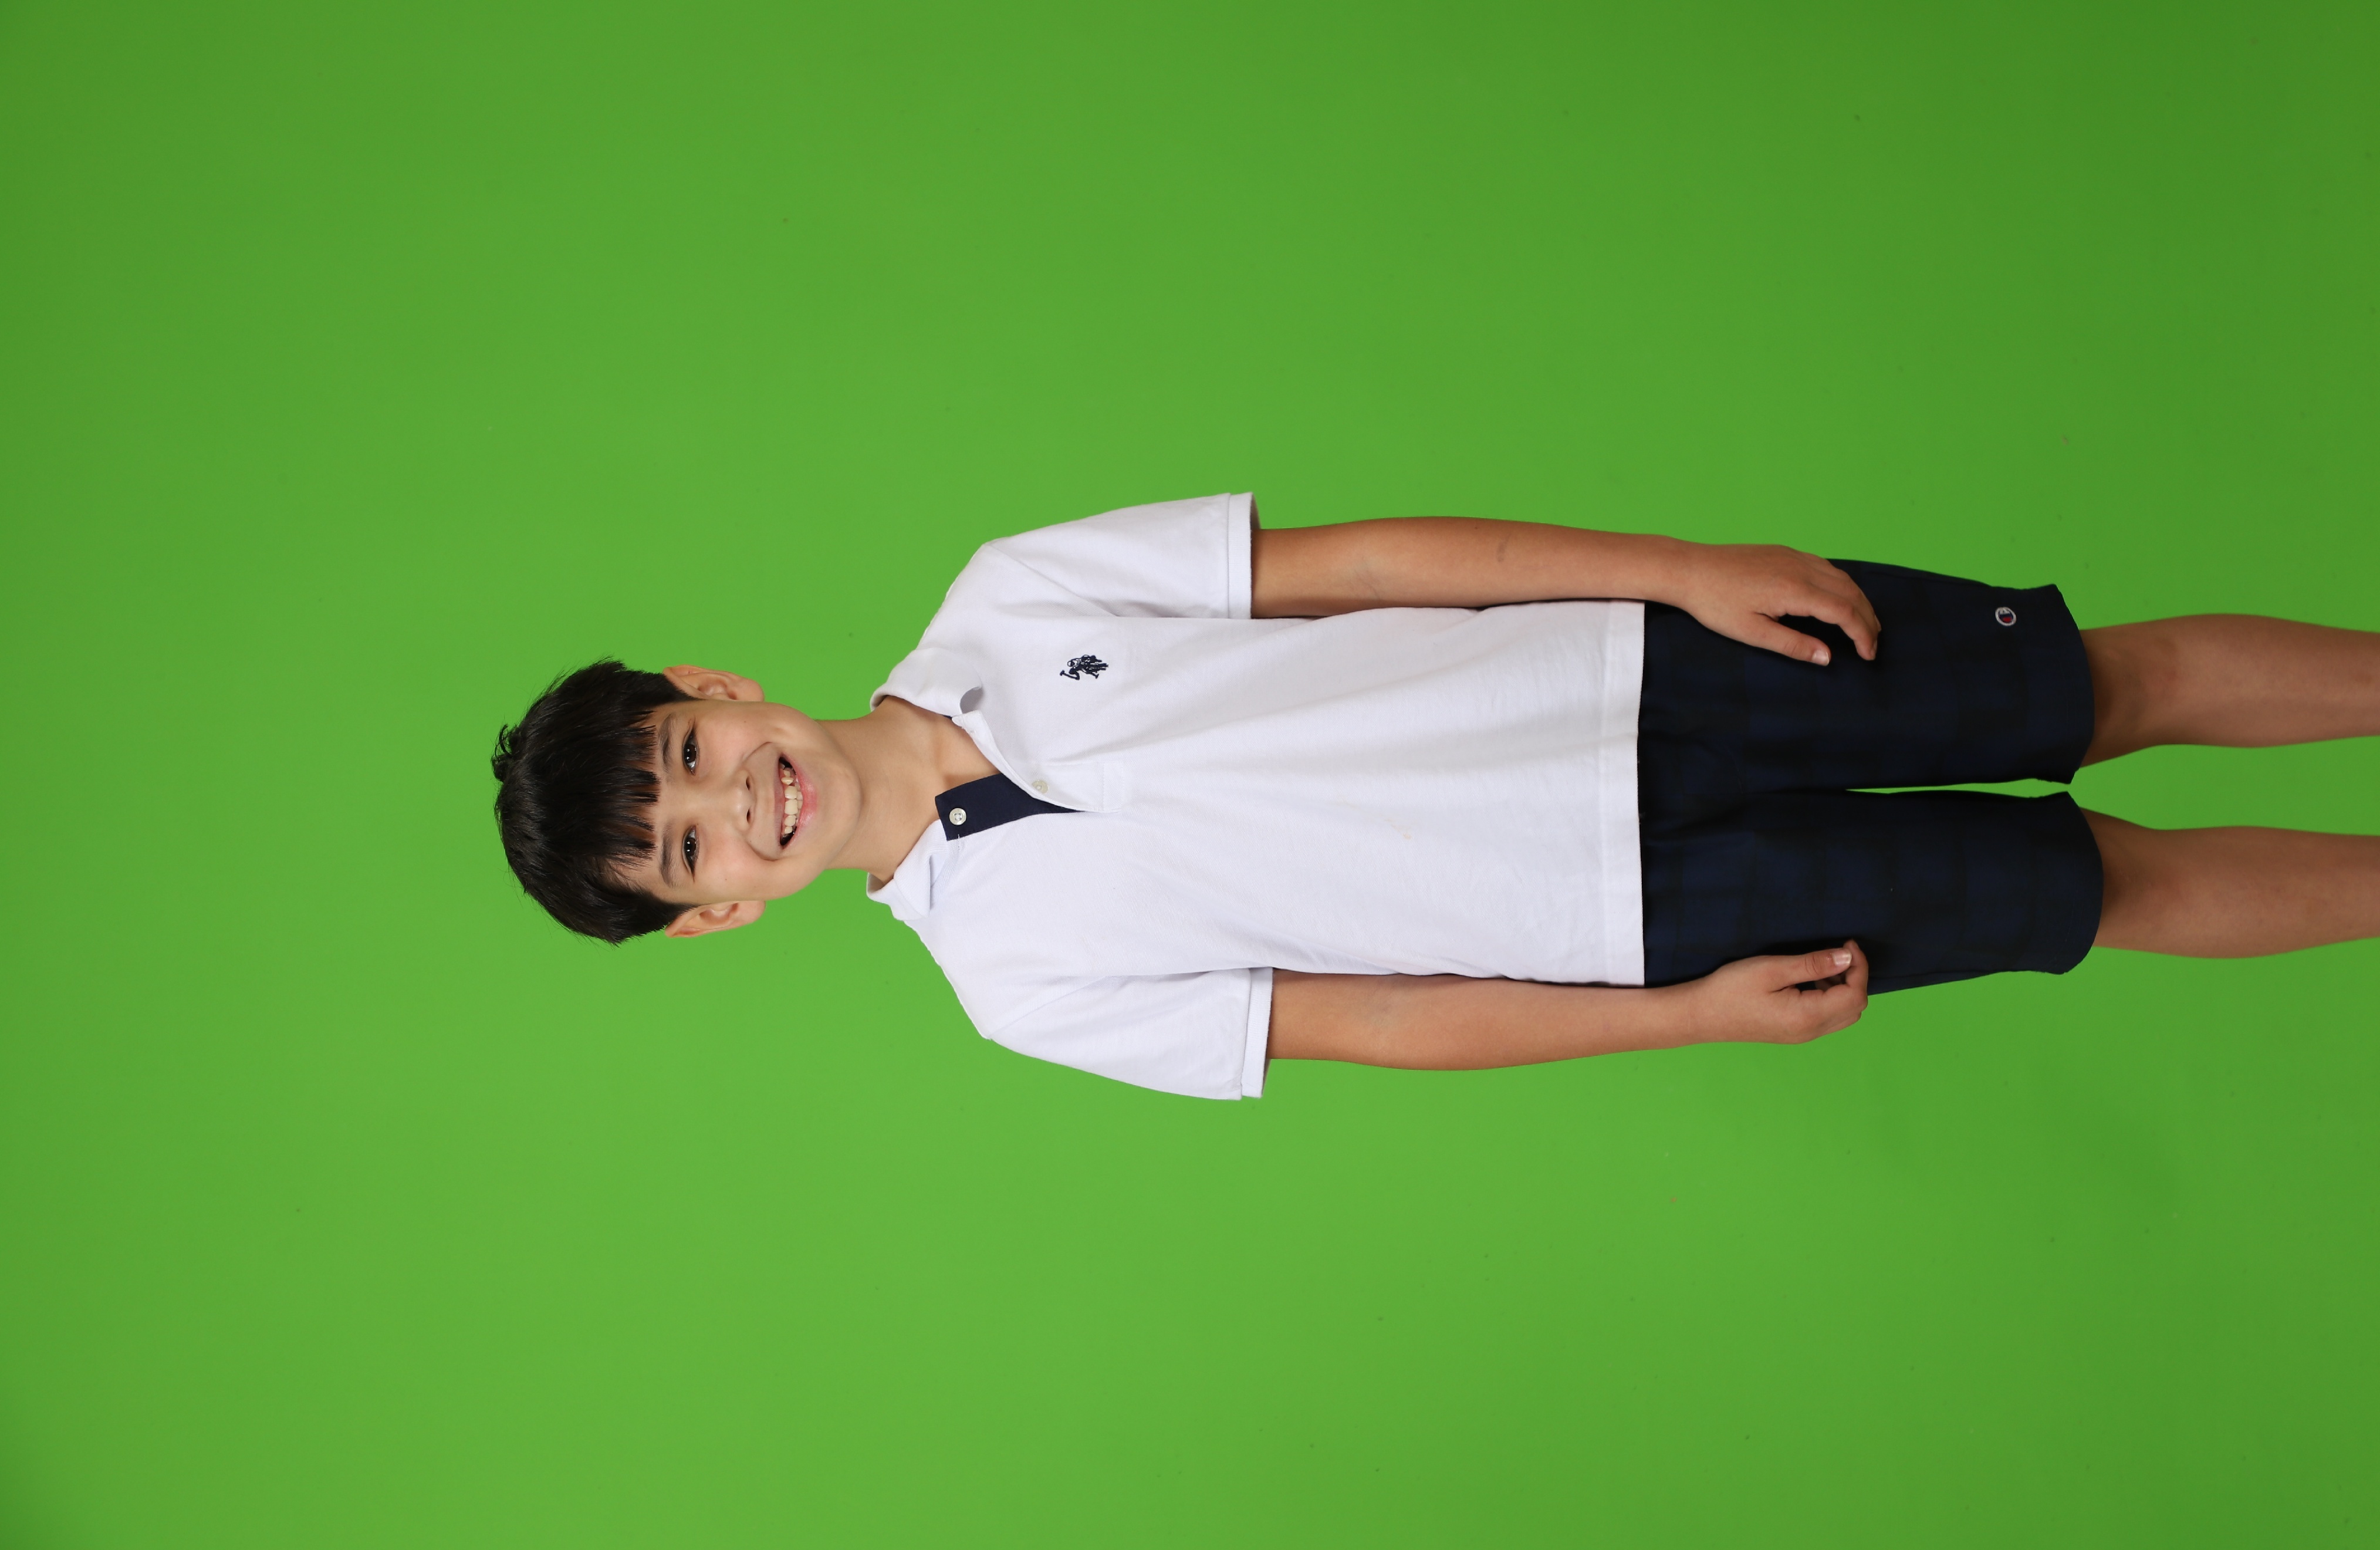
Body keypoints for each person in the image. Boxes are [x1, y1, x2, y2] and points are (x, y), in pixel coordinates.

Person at [489, 495, 2380, 1099]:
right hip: (1634, 913)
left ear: (715, 688)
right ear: (717, 913)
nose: (735, 803)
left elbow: (1372, 563)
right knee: (2100, 886)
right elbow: (1380, 1021)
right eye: (690, 850)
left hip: (1638, 671)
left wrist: (1680, 570)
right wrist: (1682, 1016)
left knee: (2103, 684)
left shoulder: (1013, 594)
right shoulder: (1017, 986)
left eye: (689, 758)